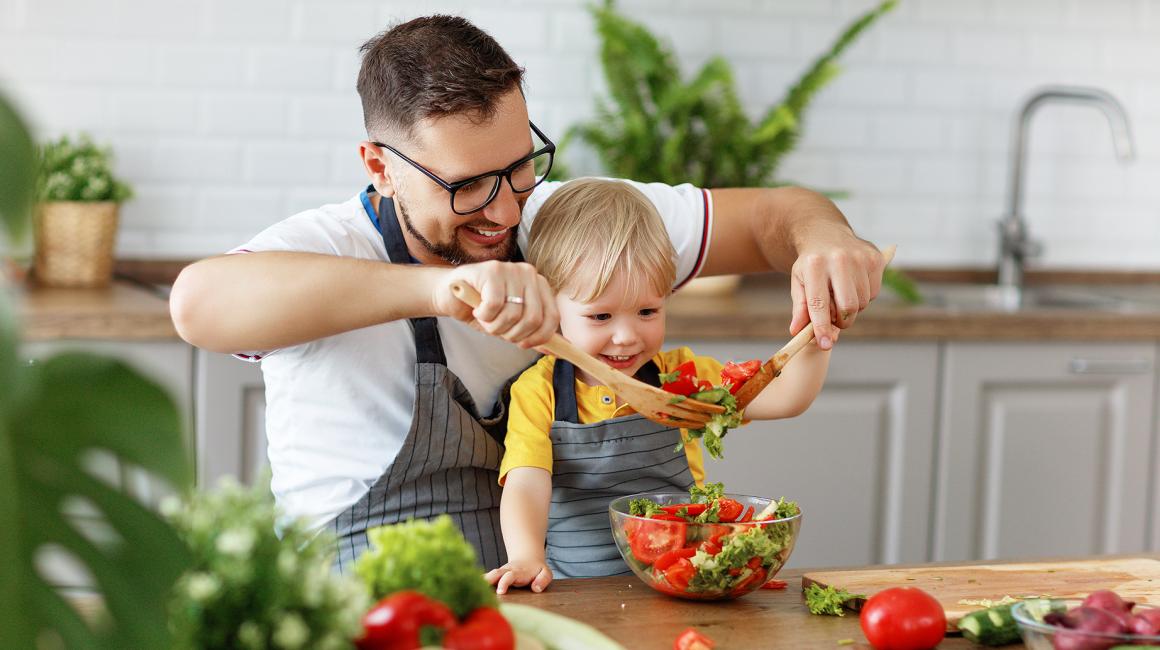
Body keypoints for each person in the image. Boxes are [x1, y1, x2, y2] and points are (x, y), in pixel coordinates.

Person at [169, 15, 884, 572]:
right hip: (358, 595)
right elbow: (197, 304)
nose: (506, 210)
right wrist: (440, 288)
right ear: (380, 168)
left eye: (519, 167)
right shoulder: (325, 246)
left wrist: (823, 238)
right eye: (466, 186)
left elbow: (773, 216)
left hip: (537, 595)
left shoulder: (574, 224)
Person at [483, 179, 829, 594]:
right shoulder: (539, 391)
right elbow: (526, 481)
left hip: (680, 583)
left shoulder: (683, 376)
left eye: (647, 311)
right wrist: (525, 557)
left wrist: (817, 337)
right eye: (600, 316)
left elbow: (785, 398)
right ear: (551, 308)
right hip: (577, 590)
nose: (626, 336)